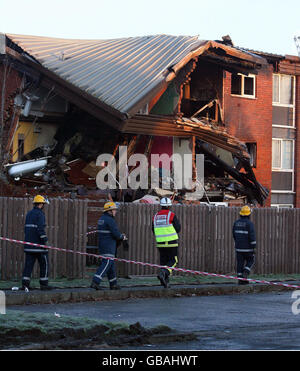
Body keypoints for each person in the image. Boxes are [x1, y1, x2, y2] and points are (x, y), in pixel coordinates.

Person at [91, 202, 127, 290]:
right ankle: (96, 281)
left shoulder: (102, 219)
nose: (115, 212)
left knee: (111, 265)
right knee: (107, 263)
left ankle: (113, 283)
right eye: (114, 210)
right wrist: (122, 237)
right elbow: (115, 234)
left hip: (103, 245)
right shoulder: (110, 220)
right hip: (109, 245)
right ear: (109, 211)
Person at [21, 195, 52, 291]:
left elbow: (27, 229)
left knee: (28, 266)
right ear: (41, 204)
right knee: (44, 264)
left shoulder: (29, 214)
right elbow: (40, 229)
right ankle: (44, 285)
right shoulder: (40, 214)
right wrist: (45, 241)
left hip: (29, 245)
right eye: (43, 204)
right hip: (39, 246)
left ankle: (25, 285)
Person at [152, 197, 181, 288]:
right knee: (173, 261)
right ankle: (164, 273)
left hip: (160, 243)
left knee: (163, 261)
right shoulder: (171, 215)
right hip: (171, 242)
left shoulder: (155, 216)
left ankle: (165, 281)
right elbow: (178, 228)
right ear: (169, 206)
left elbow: (153, 229)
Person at [232, 205, 257, 285]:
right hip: (248, 248)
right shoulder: (250, 224)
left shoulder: (236, 223)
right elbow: (252, 236)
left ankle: (240, 280)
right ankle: (245, 272)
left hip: (239, 248)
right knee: (251, 260)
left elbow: (234, 235)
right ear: (249, 214)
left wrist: (238, 243)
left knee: (240, 262)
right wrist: (254, 247)